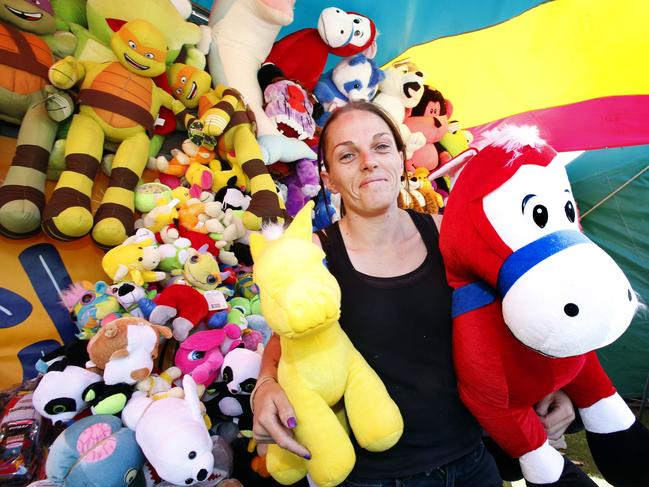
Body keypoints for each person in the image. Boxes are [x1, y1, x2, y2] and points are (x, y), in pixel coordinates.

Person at [251, 101, 575, 486]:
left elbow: (516, 313)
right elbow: (287, 338)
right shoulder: (315, 253)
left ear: (402, 159)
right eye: (348, 155)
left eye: (381, 147)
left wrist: (558, 387)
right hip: (377, 476)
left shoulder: (450, 233)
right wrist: (265, 387)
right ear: (330, 179)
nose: (369, 162)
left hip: (472, 460)